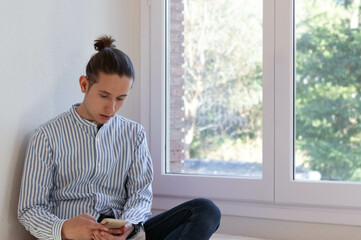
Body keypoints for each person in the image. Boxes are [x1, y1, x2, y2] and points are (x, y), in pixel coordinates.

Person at [18, 35, 221, 240]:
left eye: (120, 98)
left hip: (125, 235)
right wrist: (65, 228)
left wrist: (128, 227)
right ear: (84, 84)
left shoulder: (134, 134)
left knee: (205, 210)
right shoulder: (46, 136)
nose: (111, 108)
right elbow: (30, 209)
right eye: (104, 96)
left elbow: (140, 195)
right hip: (76, 235)